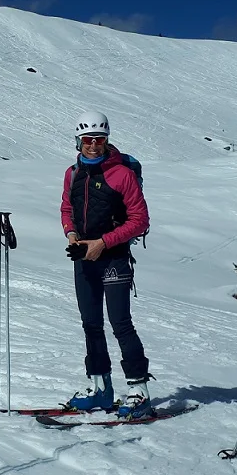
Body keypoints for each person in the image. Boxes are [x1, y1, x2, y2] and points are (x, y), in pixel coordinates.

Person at [59, 112, 153, 418]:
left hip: (113, 257)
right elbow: (67, 208)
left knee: (120, 323)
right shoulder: (72, 173)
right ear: (78, 141)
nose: (93, 145)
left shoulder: (122, 175)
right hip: (84, 258)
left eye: (99, 139)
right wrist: (72, 234)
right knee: (91, 324)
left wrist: (104, 243)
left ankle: (139, 391)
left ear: (107, 139)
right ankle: (101, 388)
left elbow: (140, 220)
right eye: (87, 140)